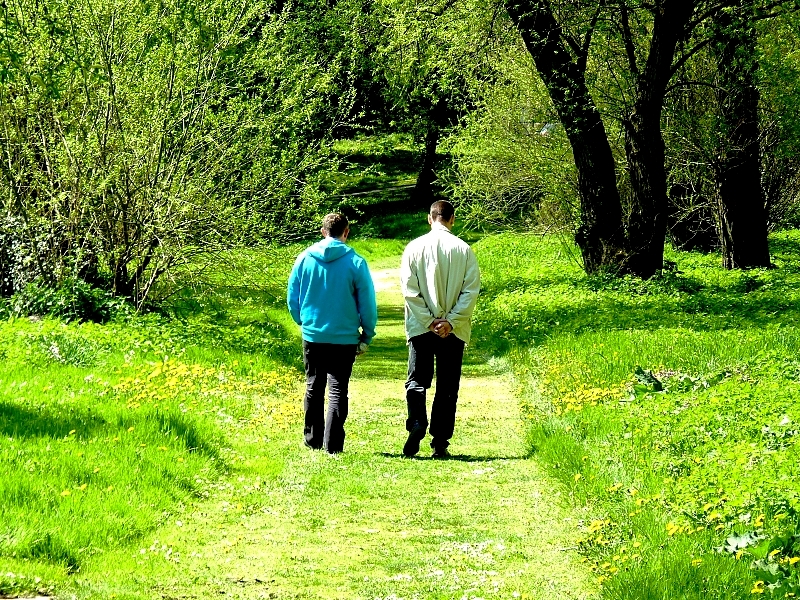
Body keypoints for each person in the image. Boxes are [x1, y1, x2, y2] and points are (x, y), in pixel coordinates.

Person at [287, 213, 377, 454]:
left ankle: (312, 440)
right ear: (346, 232)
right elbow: (367, 303)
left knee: (313, 386)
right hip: (344, 337)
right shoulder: (356, 262)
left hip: (313, 334)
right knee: (338, 389)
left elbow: (292, 297)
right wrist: (367, 334)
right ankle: (333, 445)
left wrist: (303, 321)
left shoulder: (304, 258)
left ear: (322, 231)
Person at [400, 200, 480, 458]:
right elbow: (470, 291)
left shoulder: (414, 248)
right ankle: (440, 442)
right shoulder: (464, 250)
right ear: (452, 219)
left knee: (417, 380)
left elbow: (410, 291)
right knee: (447, 386)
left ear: (430, 218)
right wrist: (450, 321)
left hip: (421, 328)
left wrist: (428, 321)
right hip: (453, 331)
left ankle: (416, 421)